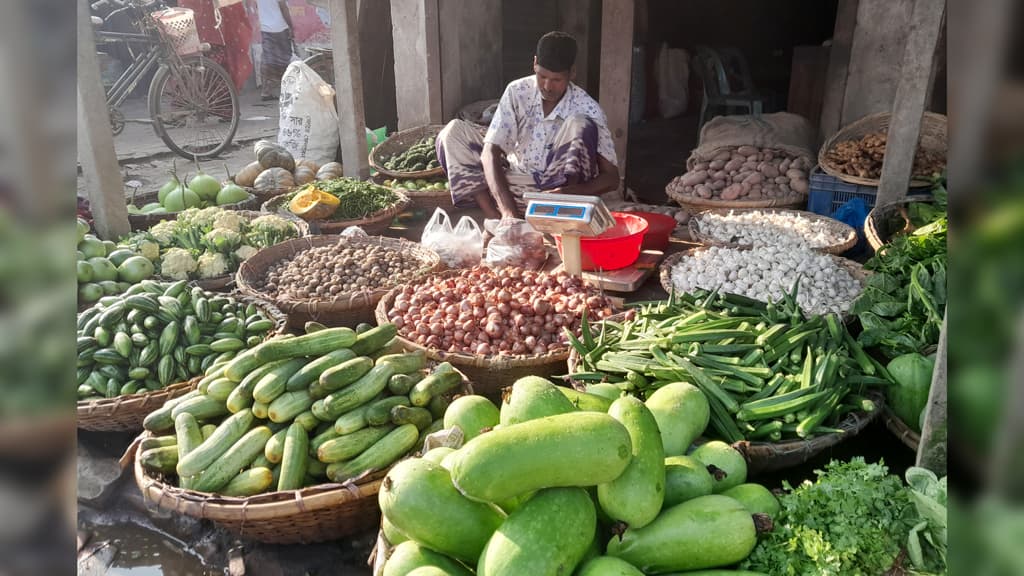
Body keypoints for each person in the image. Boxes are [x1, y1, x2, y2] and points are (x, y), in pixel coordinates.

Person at [436, 31, 620, 220]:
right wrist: (509, 214)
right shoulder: (517, 91)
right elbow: (490, 152)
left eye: (556, 80)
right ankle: (497, 219)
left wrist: (569, 192)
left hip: (555, 196)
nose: (547, 86)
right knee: (453, 132)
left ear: (572, 73)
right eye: (542, 76)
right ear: (534, 63)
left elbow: (612, 178)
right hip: (513, 184)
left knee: (580, 124)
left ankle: (553, 216)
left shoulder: (587, 108)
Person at [255, 0, 294, 100]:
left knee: (267, 60)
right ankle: (288, 89)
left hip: (266, 28)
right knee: (286, 59)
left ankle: (265, 91)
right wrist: (291, 26)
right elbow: (283, 7)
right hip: (280, 27)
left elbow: (257, 6)